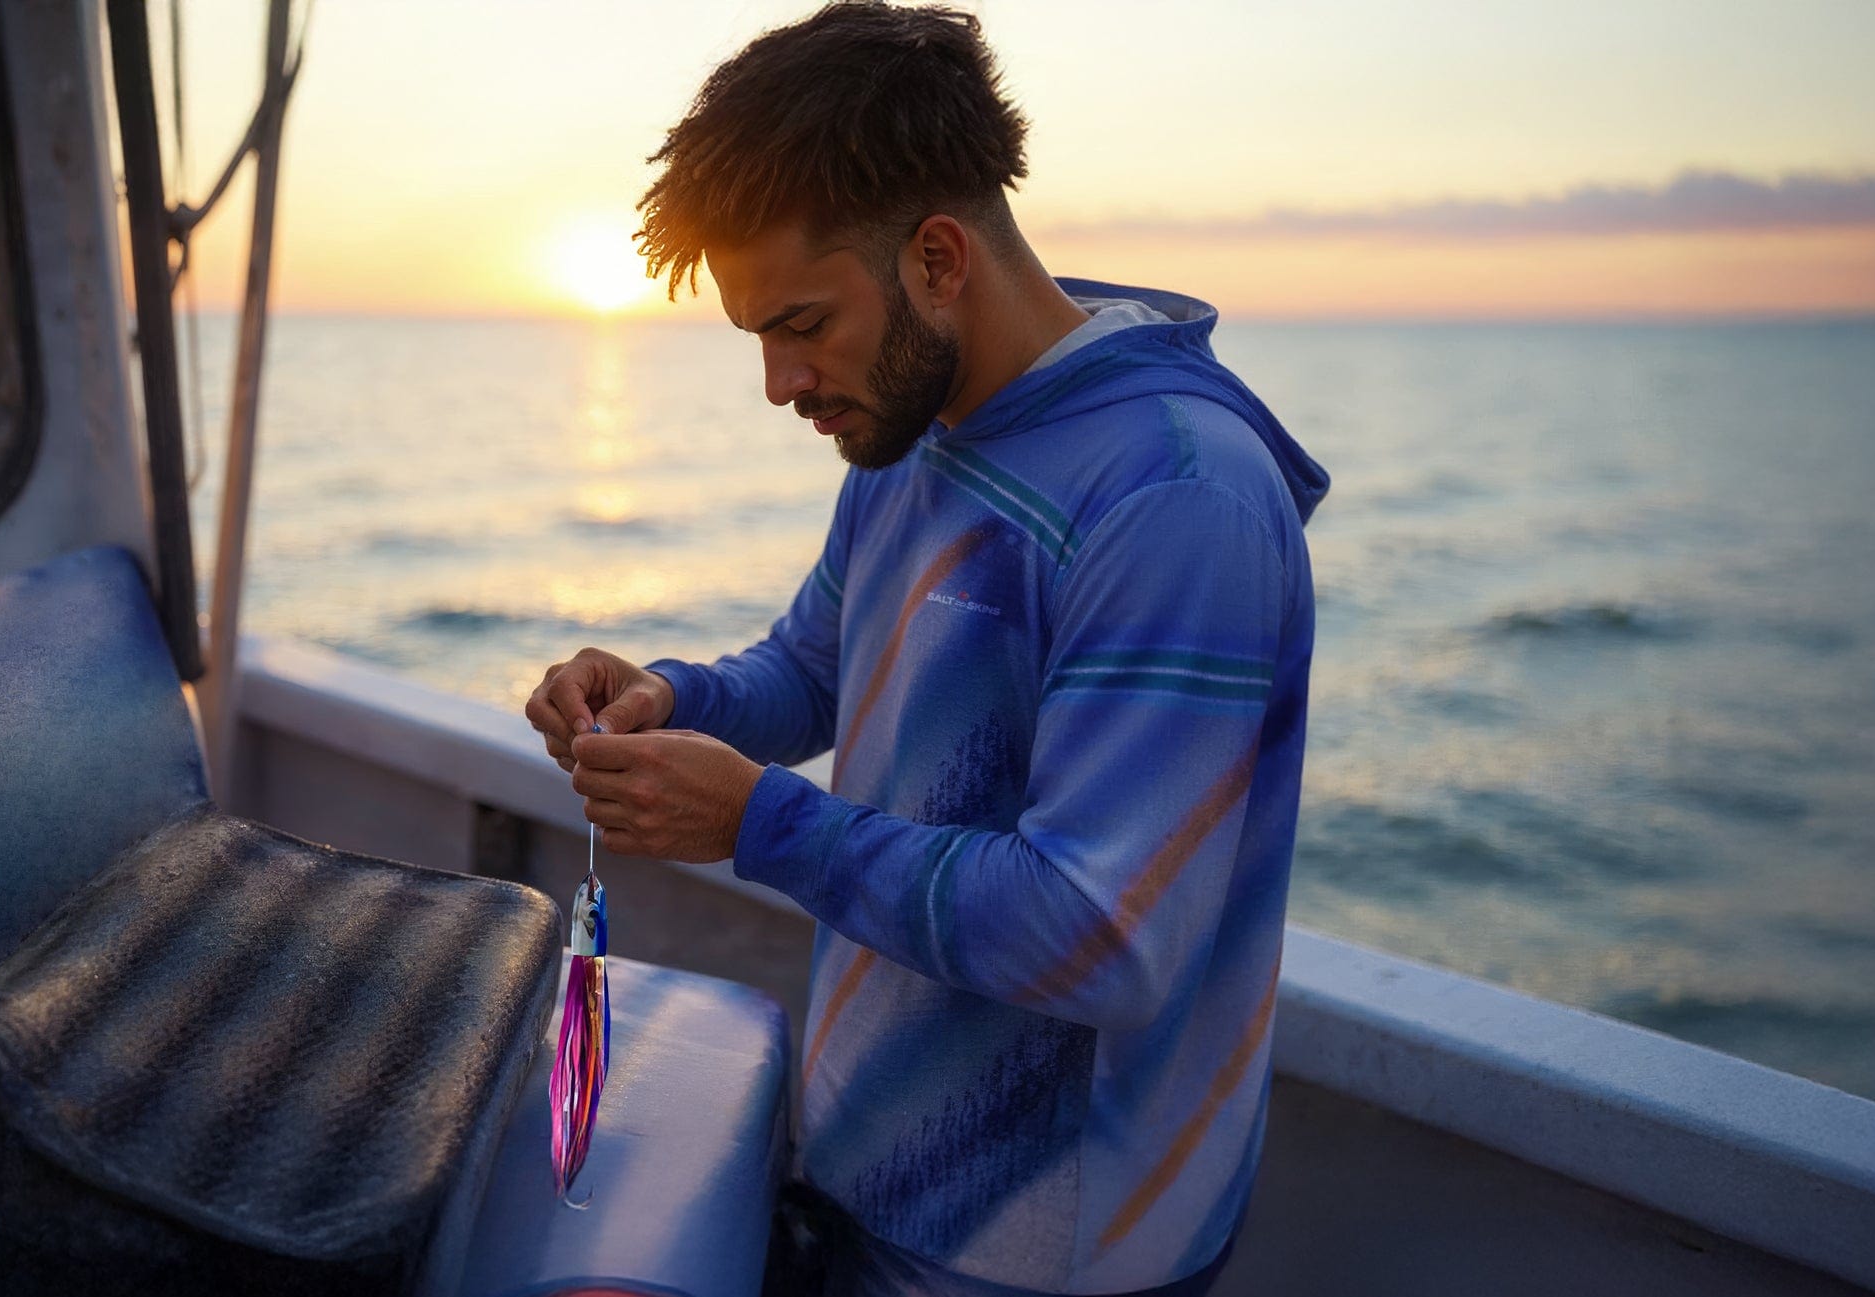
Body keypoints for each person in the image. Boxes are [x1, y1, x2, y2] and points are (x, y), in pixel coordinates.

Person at [524, 5, 1326, 1293]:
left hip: (1049, 1248)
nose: (781, 383)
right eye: (760, 339)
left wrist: (759, 825)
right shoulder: (914, 422)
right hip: (863, 1167)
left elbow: (1103, 937)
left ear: (940, 259)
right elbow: (818, 670)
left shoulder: (1176, 496)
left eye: (801, 323)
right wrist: (673, 697)